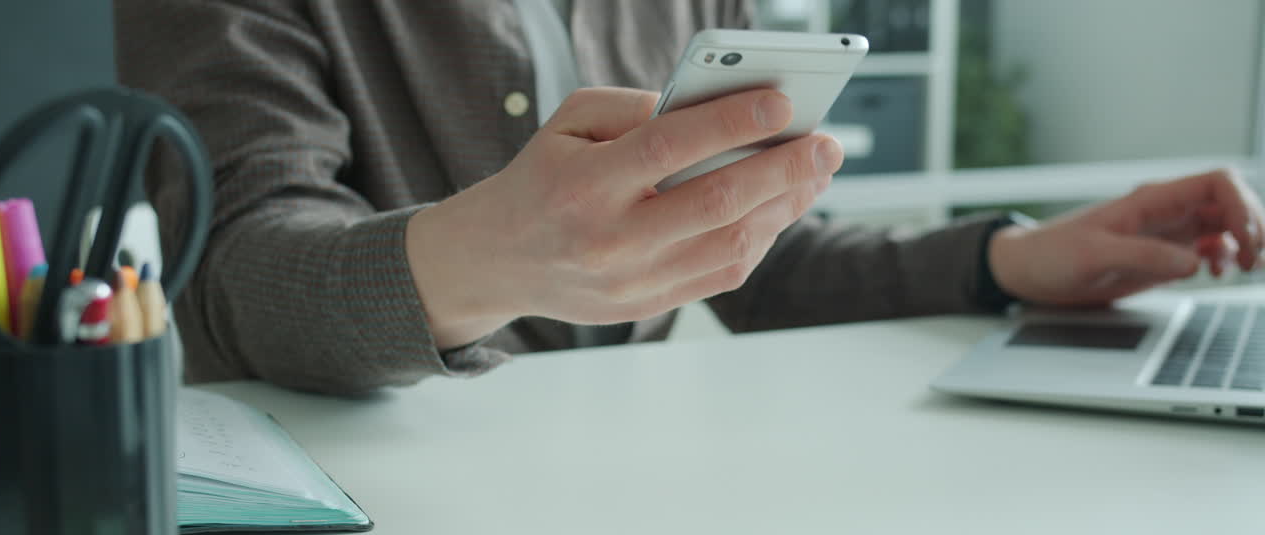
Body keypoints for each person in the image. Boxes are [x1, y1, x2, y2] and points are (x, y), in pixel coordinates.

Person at [113, 0, 1265, 395]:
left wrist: (1009, 260)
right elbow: (232, 276)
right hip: (361, 528)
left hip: (647, 496)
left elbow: (749, 253)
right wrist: (490, 259)